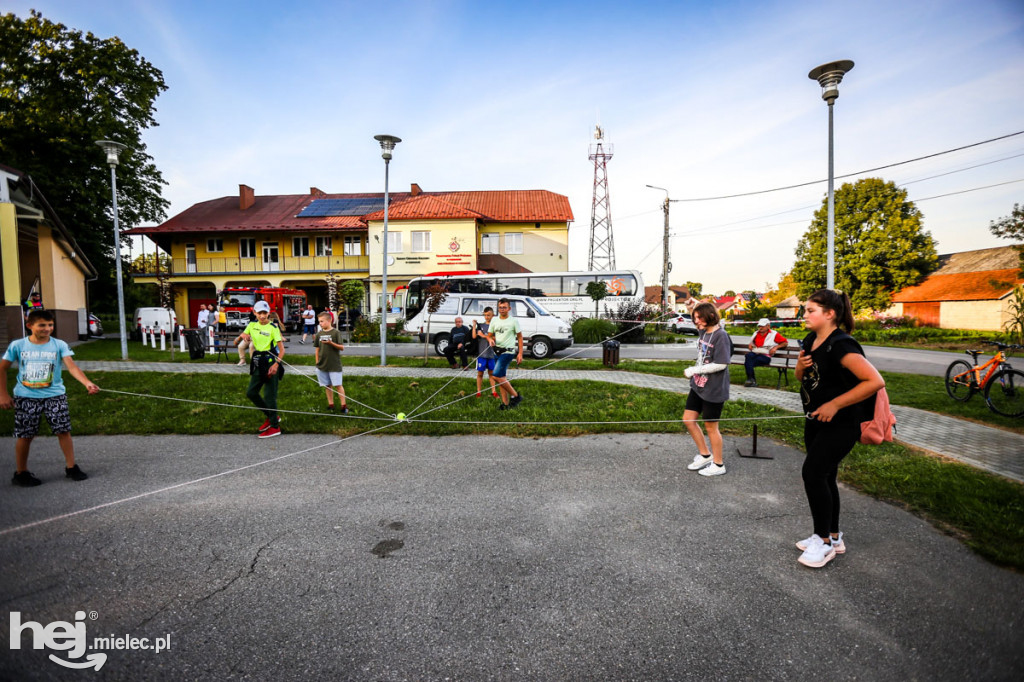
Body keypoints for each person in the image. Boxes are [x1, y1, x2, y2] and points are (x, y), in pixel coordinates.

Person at [794, 289, 885, 569]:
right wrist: (799, 365)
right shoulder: (812, 339)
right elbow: (802, 378)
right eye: (805, 310)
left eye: (811, 310)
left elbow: (874, 381)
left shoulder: (842, 345)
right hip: (815, 420)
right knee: (825, 475)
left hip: (842, 423)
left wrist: (834, 404)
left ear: (830, 314)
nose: (805, 315)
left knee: (812, 472)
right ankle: (833, 537)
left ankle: (821, 542)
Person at [0, 309, 99, 486]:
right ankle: (21, 473)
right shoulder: (18, 345)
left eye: (50, 325)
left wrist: (87, 383)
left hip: (55, 395)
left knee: (63, 430)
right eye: (42, 325)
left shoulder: (59, 345)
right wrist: (3, 394)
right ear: (30, 326)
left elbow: (73, 367)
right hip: (26, 397)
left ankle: (71, 467)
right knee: (26, 434)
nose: (47, 328)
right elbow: (2, 368)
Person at [682, 302, 731, 477]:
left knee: (711, 426)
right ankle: (705, 455)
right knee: (688, 420)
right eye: (695, 318)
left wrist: (695, 370)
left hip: (714, 389)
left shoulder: (721, 336)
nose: (696, 322)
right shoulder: (704, 331)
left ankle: (718, 465)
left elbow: (722, 364)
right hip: (698, 386)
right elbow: (697, 314)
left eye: (699, 318)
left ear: (710, 316)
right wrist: (691, 307)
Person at [237, 301, 285, 438]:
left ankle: (275, 427)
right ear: (255, 313)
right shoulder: (252, 325)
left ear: (268, 313)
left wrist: (276, 365)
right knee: (251, 392)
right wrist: (243, 336)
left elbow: (281, 351)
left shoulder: (273, 327)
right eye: (259, 313)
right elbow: (243, 335)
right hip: (258, 362)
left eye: (265, 313)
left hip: (271, 362)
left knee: (270, 396)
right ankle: (271, 416)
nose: (262, 316)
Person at [486, 298, 523, 411]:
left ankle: (516, 396)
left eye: (504, 307)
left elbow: (520, 337)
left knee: (496, 375)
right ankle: (505, 404)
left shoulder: (513, 321)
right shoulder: (494, 321)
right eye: (500, 307)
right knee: (501, 377)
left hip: (508, 352)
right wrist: (490, 340)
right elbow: (489, 335)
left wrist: (520, 353)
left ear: (509, 308)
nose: (502, 309)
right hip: (497, 351)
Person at [313, 311, 348, 413]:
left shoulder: (336, 333)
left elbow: (342, 347)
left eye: (322, 321)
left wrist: (331, 343)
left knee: (338, 385)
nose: (320, 323)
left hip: (334, 364)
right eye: (319, 321)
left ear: (329, 321)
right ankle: (331, 404)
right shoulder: (319, 334)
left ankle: (343, 406)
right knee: (327, 385)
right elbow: (317, 349)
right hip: (322, 364)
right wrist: (317, 362)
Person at [743, 317, 789, 387]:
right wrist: (750, 345)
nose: (760, 328)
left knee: (748, 362)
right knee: (748, 356)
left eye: (762, 326)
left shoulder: (774, 334)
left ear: (768, 326)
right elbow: (751, 343)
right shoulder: (756, 333)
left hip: (765, 356)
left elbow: (785, 343)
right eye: (759, 326)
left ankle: (751, 380)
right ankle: (751, 380)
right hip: (755, 353)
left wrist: (775, 347)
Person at [472, 307, 499, 398]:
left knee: (491, 373)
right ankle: (479, 392)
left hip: (491, 354)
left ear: (493, 315)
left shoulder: (494, 326)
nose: (487, 317)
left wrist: (484, 336)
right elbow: (474, 336)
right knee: (480, 374)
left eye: (489, 315)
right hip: (481, 354)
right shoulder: (481, 326)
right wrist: (474, 326)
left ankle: (493, 391)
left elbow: (496, 338)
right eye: (485, 315)